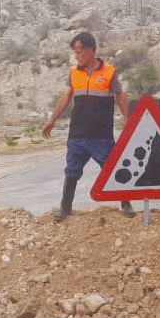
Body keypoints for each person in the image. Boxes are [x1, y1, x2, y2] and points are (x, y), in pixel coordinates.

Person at [42, 32, 134, 220]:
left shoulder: (109, 72)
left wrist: (128, 119)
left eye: (79, 52)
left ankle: (126, 204)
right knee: (72, 171)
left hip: (101, 136)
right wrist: (52, 121)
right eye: (75, 53)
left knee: (113, 169)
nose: (76, 56)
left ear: (90, 51)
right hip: (77, 135)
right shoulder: (74, 73)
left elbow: (120, 96)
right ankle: (65, 208)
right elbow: (67, 97)